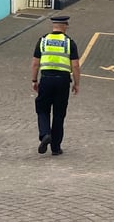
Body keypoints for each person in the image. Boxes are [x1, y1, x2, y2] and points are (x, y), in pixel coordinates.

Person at [31, 15, 80, 156]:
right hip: (63, 81)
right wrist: (77, 84)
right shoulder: (69, 42)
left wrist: (34, 80)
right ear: (65, 26)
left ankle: (45, 134)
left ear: (53, 26)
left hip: (46, 79)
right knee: (59, 114)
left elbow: (35, 63)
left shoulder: (43, 41)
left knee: (42, 109)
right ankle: (56, 147)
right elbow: (75, 66)